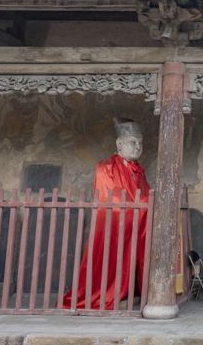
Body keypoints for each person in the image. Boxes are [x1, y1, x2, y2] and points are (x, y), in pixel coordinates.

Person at [62, 118, 149, 311]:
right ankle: (108, 293)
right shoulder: (105, 168)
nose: (138, 146)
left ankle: (130, 291)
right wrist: (144, 205)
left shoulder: (139, 171)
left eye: (140, 142)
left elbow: (144, 196)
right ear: (119, 144)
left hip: (137, 225)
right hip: (114, 226)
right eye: (133, 142)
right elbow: (113, 201)